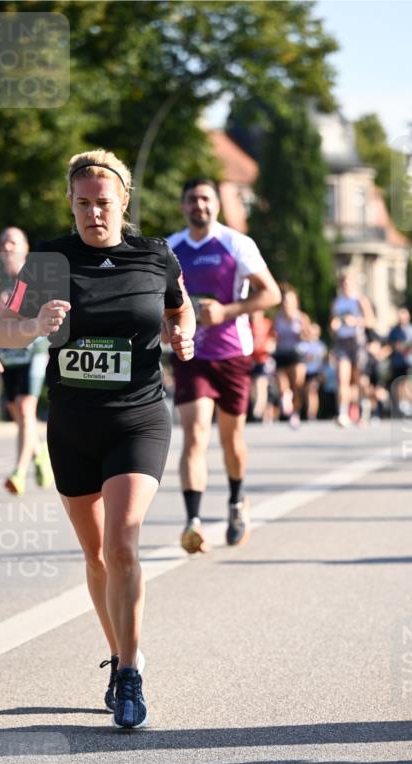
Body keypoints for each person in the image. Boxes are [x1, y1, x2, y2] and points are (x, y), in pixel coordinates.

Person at [0, 149, 195, 728]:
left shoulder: (155, 255)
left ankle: (131, 673)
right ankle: (118, 655)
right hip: (74, 423)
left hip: (137, 418)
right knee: (96, 555)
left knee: (123, 544)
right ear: (70, 203)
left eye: (103, 203)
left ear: (123, 201)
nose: (93, 213)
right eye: (82, 203)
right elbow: (3, 325)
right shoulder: (48, 259)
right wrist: (34, 326)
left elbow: (181, 314)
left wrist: (183, 340)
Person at [167, 178, 281, 553]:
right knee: (195, 433)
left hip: (232, 353)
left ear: (215, 204)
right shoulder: (170, 247)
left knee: (231, 439)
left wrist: (226, 312)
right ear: (183, 206)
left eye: (205, 199)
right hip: (191, 355)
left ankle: (235, 501)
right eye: (192, 200)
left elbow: (271, 293)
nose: (199, 206)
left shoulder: (236, 244)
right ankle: (193, 522)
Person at [0, 226, 53, 494]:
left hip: (34, 350)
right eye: (4, 242)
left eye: (13, 242)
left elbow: (45, 315)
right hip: (7, 352)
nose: (7, 247)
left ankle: (18, 471)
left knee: (25, 408)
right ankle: (39, 453)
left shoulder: (35, 278)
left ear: (25, 248)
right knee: (16, 411)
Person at [330, 274, 376, 426]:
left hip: (357, 342)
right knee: (342, 378)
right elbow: (333, 324)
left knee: (359, 379)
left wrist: (356, 321)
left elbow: (371, 321)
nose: (346, 285)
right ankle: (343, 413)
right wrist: (333, 326)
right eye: (343, 282)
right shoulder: (337, 302)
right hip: (341, 342)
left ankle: (364, 409)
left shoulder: (360, 300)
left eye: (349, 282)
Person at [271, 284, 310, 429]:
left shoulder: (301, 317)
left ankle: (295, 413)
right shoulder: (278, 317)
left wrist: (303, 333)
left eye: (289, 301)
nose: (286, 303)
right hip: (281, 353)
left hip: (297, 354)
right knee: (282, 386)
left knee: (297, 386)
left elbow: (309, 335)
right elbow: (273, 335)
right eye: (284, 300)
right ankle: (286, 403)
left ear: (295, 302)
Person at [386, 307, 412, 417]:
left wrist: (411, 348)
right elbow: (389, 344)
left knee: (409, 383)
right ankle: (401, 405)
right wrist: (396, 346)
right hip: (397, 362)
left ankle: (410, 405)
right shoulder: (394, 331)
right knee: (398, 383)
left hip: (410, 361)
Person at [299, 322, 327, 421]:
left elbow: (323, 360)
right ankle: (305, 411)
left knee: (312, 391)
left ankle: (311, 414)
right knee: (305, 392)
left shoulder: (320, 346)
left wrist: (323, 373)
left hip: (315, 372)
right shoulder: (303, 344)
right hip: (304, 372)